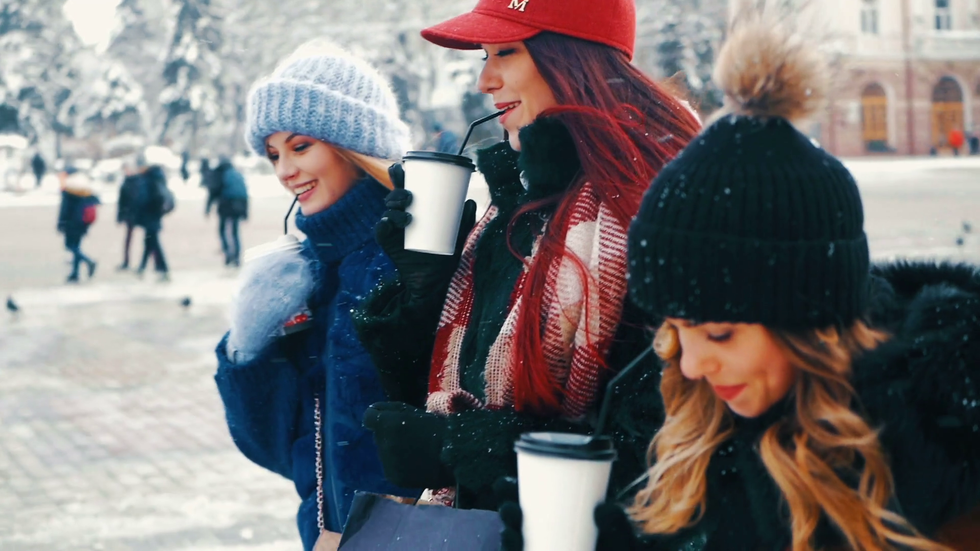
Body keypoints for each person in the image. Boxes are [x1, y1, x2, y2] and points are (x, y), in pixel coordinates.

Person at [499, 14, 980, 550]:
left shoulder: (944, 460)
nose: (691, 365)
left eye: (721, 333)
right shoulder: (705, 435)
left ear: (809, 320)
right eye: (679, 332)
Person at [354, 0, 701, 510]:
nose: (485, 81)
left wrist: (458, 448)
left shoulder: (652, 209)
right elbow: (460, 391)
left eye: (507, 53)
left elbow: (661, 454)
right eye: (484, 56)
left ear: (573, 58)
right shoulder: (515, 208)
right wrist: (427, 289)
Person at [213, 41, 418, 551]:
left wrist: (379, 526)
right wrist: (248, 349)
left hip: (415, 538)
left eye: (300, 146)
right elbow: (280, 448)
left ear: (355, 144)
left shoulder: (419, 255)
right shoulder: (309, 270)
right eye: (274, 154)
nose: (284, 171)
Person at [57, 167, 99, 283]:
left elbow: (64, 210)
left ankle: (88, 261)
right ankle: (75, 273)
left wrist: (60, 224)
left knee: (70, 246)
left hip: (71, 223)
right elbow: (95, 201)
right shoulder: (84, 189)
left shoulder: (69, 190)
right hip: (83, 223)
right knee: (77, 246)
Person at [133, 158, 172, 282]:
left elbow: (143, 198)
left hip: (150, 215)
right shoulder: (157, 177)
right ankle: (143, 267)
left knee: (153, 242)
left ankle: (162, 268)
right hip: (155, 214)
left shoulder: (147, 178)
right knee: (150, 242)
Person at [206, 157, 249, 267]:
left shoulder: (221, 174)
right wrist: (246, 212)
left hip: (226, 205)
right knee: (235, 232)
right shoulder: (237, 174)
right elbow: (244, 193)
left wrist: (208, 208)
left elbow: (213, 192)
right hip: (239, 205)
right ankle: (237, 257)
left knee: (222, 230)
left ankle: (228, 254)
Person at [116, 160, 141, 271]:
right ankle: (126, 261)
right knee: (128, 240)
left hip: (136, 213)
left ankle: (146, 263)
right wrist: (120, 216)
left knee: (150, 239)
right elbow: (121, 202)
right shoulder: (127, 182)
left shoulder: (138, 181)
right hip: (130, 214)